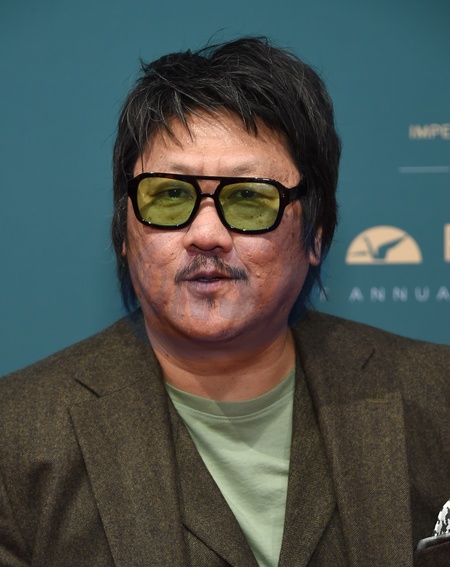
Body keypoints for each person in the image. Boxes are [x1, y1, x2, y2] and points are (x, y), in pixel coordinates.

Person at [0, 37, 448, 567]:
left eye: (248, 197)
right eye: (170, 195)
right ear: (124, 231)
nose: (206, 234)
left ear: (317, 235)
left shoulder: (437, 395)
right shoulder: (16, 435)